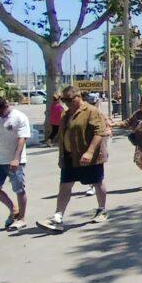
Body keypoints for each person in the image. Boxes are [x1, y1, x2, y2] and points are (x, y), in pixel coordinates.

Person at [37, 86, 109, 233]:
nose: (66, 102)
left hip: (88, 156)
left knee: (97, 182)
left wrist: (89, 152)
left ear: (78, 96)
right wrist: (61, 156)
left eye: (69, 99)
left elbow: (99, 133)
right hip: (70, 156)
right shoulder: (66, 113)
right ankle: (57, 217)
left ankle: (102, 209)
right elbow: (63, 135)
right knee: (65, 185)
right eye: (63, 100)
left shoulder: (91, 111)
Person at [0, 96, 30, 230]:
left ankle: (21, 219)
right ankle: (13, 209)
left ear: (5, 106)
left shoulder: (19, 117)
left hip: (15, 161)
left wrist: (16, 159)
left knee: (19, 190)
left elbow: (22, 139)